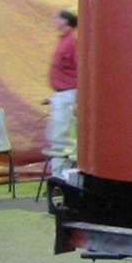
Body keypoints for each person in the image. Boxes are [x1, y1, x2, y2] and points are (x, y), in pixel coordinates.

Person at [46, 9, 78, 175]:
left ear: (65, 22)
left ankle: (59, 177)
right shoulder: (65, 40)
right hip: (62, 94)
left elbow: (81, 68)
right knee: (57, 135)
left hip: (68, 94)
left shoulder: (72, 41)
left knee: (60, 137)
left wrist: (78, 98)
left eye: (57, 18)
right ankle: (58, 175)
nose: (54, 20)